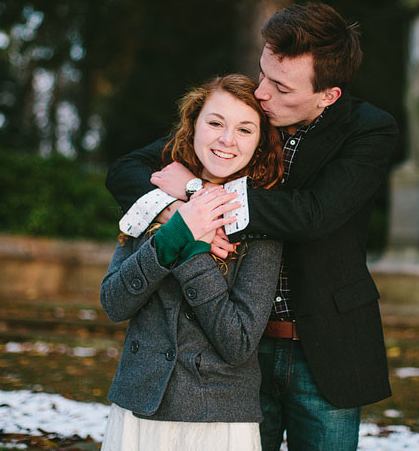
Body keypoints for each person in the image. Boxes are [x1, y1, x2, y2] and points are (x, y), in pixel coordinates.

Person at [106, 2, 398, 450]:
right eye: (262, 74)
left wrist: (203, 198)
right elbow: (129, 167)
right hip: (232, 351)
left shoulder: (369, 131)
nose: (263, 93)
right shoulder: (247, 118)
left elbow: (315, 214)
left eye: (280, 87)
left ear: (328, 95)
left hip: (324, 348)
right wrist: (183, 204)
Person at [100, 73, 284, 451]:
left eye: (245, 130)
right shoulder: (154, 199)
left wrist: (194, 250)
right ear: (193, 123)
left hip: (217, 417)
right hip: (139, 408)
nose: (227, 140)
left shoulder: (262, 223)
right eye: (215, 122)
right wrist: (175, 232)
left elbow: (239, 342)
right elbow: (114, 303)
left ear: (261, 141)